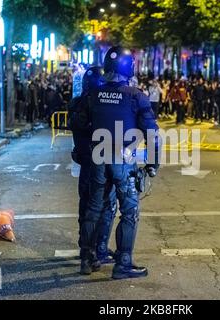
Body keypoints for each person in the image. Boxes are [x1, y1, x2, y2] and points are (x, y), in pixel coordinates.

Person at [80, 46, 160, 280]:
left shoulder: (93, 94)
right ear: (129, 67)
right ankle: (123, 262)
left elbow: (81, 125)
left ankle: (87, 257)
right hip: (123, 159)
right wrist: (153, 165)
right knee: (129, 210)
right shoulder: (135, 95)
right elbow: (152, 134)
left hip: (97, 157)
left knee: (94, 208)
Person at [68, 66, 117, 266]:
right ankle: (98, 249)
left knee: (85, 207)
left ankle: (85, 250)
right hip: (100, 163)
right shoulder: (99, 107)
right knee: (105, 207)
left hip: (85, 164)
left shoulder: (76, 104)